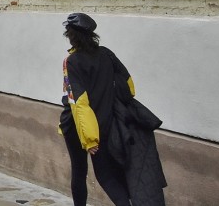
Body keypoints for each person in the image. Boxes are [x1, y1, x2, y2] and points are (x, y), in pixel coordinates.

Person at [60, 12, 166, 206]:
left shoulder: (72, 62)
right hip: (107, 122)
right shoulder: (106, 54)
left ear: (72, 36)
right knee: (108, 174)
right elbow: (129, 86)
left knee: (83, 172)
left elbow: (79, 103)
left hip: (79, 127)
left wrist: (91, 140)